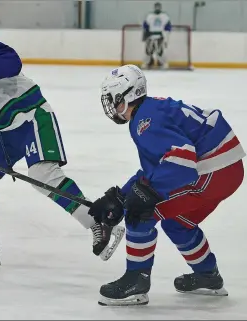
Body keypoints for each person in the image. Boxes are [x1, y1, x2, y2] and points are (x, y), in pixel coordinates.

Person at [0, 23, 125, 267]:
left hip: (30, 115)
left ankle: (98, 223)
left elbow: (12, 60)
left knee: (43, 174)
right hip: (2, 135)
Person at [89, 64, 245, 306]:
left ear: (127, 95)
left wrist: (137, 199)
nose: (110, 105)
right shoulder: (149, 110)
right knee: (176, 221)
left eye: (113, 99)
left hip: (212, 170)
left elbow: (182, 164)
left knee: (141, 211)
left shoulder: (145, 121)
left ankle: (136, 282)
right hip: (225, 168)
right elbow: (156, 169)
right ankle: (207, 275)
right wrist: (121, 195)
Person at [142, 2, 171, 69]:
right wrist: (145, 35)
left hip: (160, 36)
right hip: (150, 36)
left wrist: (166, 35)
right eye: (156, 6)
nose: (157, 8)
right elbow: (145, 26)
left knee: (160, 50)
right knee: (149, 50)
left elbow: (168, 26)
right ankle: (149, 62)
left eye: (158, 6)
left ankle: (161, 62)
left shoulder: (164, 16)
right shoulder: (150, 16)